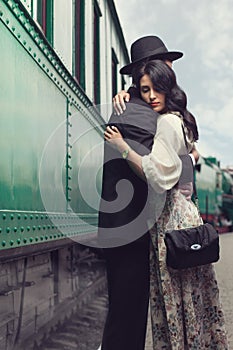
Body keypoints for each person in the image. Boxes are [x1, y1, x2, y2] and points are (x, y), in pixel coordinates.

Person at [104, 59, 228, 349]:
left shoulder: (167, 122)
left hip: (171, 217)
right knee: (189, 295)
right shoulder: (178, 118)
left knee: (176, 296)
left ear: (168, 84)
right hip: (181, 214)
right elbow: (189, 154)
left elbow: (157, 175)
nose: (151, 96)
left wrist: (122, 147)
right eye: (144, 90)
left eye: (156, 88)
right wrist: (128, 93)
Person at [98, 36, 193, 350]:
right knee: (128, 314)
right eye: (165, 61)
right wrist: (191, 158)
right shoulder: (142, 116)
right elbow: (160, 172)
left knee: (129, 311)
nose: (170, 67)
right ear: (143, 71)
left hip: (127, 229)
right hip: (130, 232)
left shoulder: (139, 107)